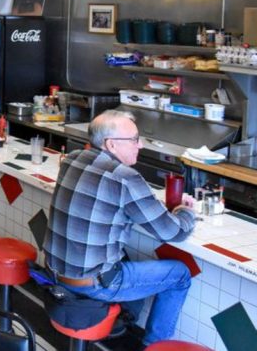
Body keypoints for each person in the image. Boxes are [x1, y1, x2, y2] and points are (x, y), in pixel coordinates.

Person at [43, 109, 195, 348]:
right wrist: (185, 212)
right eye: (134, 139)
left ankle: (122, 320)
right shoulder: (125, 177)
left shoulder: (72, 158)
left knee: (126, 258)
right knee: (179, 275)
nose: (141, 145)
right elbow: (173, 233)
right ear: (111, 144)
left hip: (54, 271)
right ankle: (154, 346)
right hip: (93, 284)